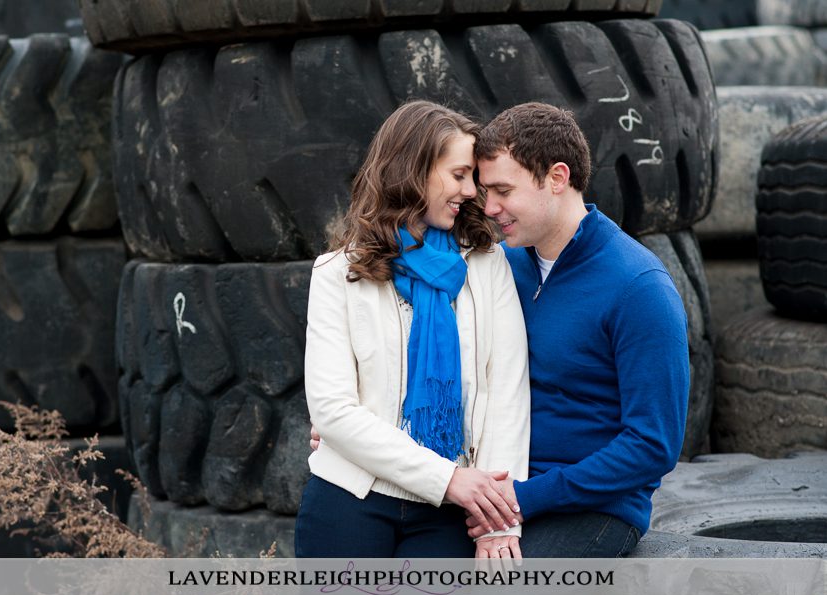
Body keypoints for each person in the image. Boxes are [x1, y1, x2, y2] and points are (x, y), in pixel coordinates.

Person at [295, 100, 531, 559]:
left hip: (448, 511)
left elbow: (507, 394)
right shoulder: (336, 274)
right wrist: (446, 477)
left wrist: (494, 524)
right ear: (413, 170)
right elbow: (333, 411)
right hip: (350, 499)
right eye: (458, 175)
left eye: (473, 180)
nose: (470, 192)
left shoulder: (487, 264)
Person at [468, 102, 690, 557]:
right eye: (483, 191)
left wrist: (525, 499)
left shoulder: (639, 287)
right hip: (493, 489)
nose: (489, 208)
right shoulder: (503, 267)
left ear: (557, 178)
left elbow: (653, 445)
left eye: (502, 190)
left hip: (592, 508)